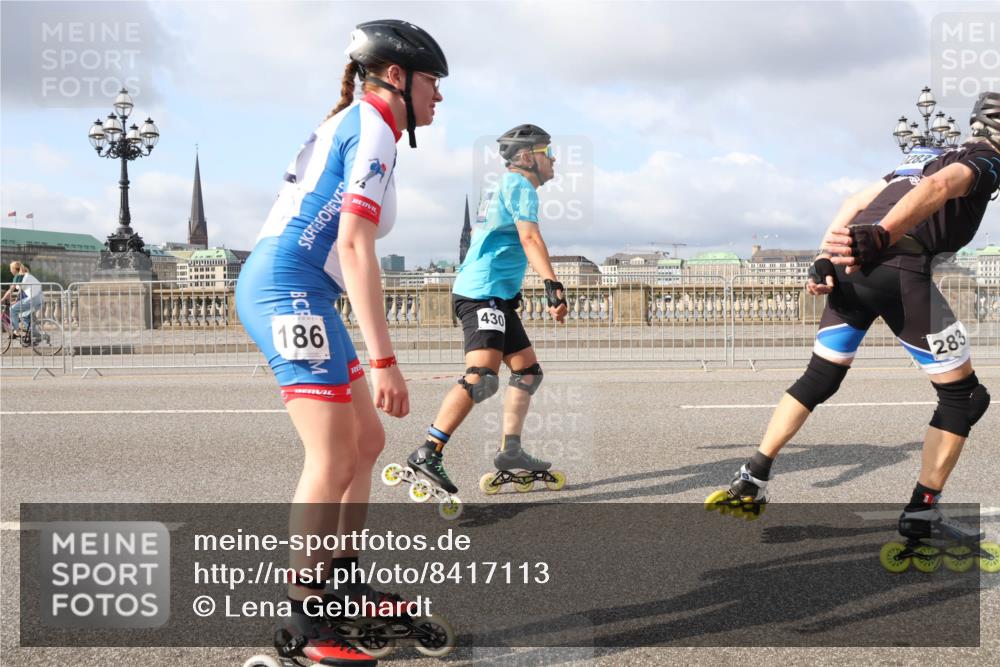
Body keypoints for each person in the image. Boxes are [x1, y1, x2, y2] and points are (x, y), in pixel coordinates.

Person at [235, 19, 446, 666]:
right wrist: (384, 359)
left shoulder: (361, 121)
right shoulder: (375, 126)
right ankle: (305, 621)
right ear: (394, 77)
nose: (439, 96)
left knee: (367, 441)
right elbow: (354, 244)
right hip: (286, 289)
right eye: (432, 82)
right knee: (329, 455)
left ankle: (345, 580)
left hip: (303, 291)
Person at [707, 92, 1000, 548]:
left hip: (848, 273)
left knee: (819, 377)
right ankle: (921, 514)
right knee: (965, 398)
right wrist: (883, 235)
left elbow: (858, 198)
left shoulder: (929, 156)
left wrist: (825, 256)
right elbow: (940, 189)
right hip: (897, 272)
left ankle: (754, 474)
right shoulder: (985, 160)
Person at [403, 124, 568, 498]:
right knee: (481, 377)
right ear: (527, 157)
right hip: (482, 295)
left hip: (495, 296)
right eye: (547, 152)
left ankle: (511, 451)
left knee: (527, 371)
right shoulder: (520, 185)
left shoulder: (501, 186)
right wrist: (552, 285)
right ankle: (428, 450)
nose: (553, 159)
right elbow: (529, 237)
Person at [10, 263, 43, 343]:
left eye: (10, 269)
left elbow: (11, 290)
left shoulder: (18, 276)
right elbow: (21, 291)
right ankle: (36, 336)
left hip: (33, 299)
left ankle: (16, 331)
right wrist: (16, 300)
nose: (10, 270)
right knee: (25, 317)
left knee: (13, 310)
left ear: (14, 269)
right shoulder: (25, 275)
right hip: (40, 299)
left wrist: (2, 300)